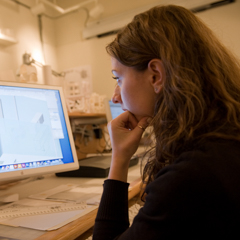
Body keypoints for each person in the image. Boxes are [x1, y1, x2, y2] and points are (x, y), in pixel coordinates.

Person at [93, 4, 240, 240]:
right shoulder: (224, 136)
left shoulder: (190, 175)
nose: (115, 96)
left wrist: (119, 159)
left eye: (118, 78)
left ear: (156, 75)